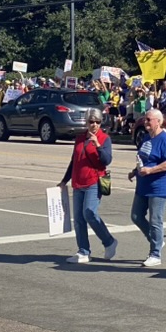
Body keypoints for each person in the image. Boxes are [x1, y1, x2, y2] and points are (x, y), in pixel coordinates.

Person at [58, 108, 116, 264]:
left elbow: (106, 160)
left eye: (97, 122)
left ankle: (109, 241)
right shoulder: (80, 138)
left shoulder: (104, 139)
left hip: (94, 182)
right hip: (78, 182)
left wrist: (97, 144)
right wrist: (64, 181)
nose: (94, 125)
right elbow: (74, 161)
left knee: (89, 213)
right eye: (91, 122)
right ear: (86, 122)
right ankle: (83, 251)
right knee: (78, 219)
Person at [129, 108, 166, 267]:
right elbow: (143, 159)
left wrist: (151, 170)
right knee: (136, 216)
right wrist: (135, 171)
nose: (146, 122)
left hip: (158, 186)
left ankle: (155, 254)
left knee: (155, 220)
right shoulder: (146, 138)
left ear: (158, 121)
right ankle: (157, 240)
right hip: (143, 184)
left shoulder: (165, 139)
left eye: (149, 120)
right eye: (145, 119)